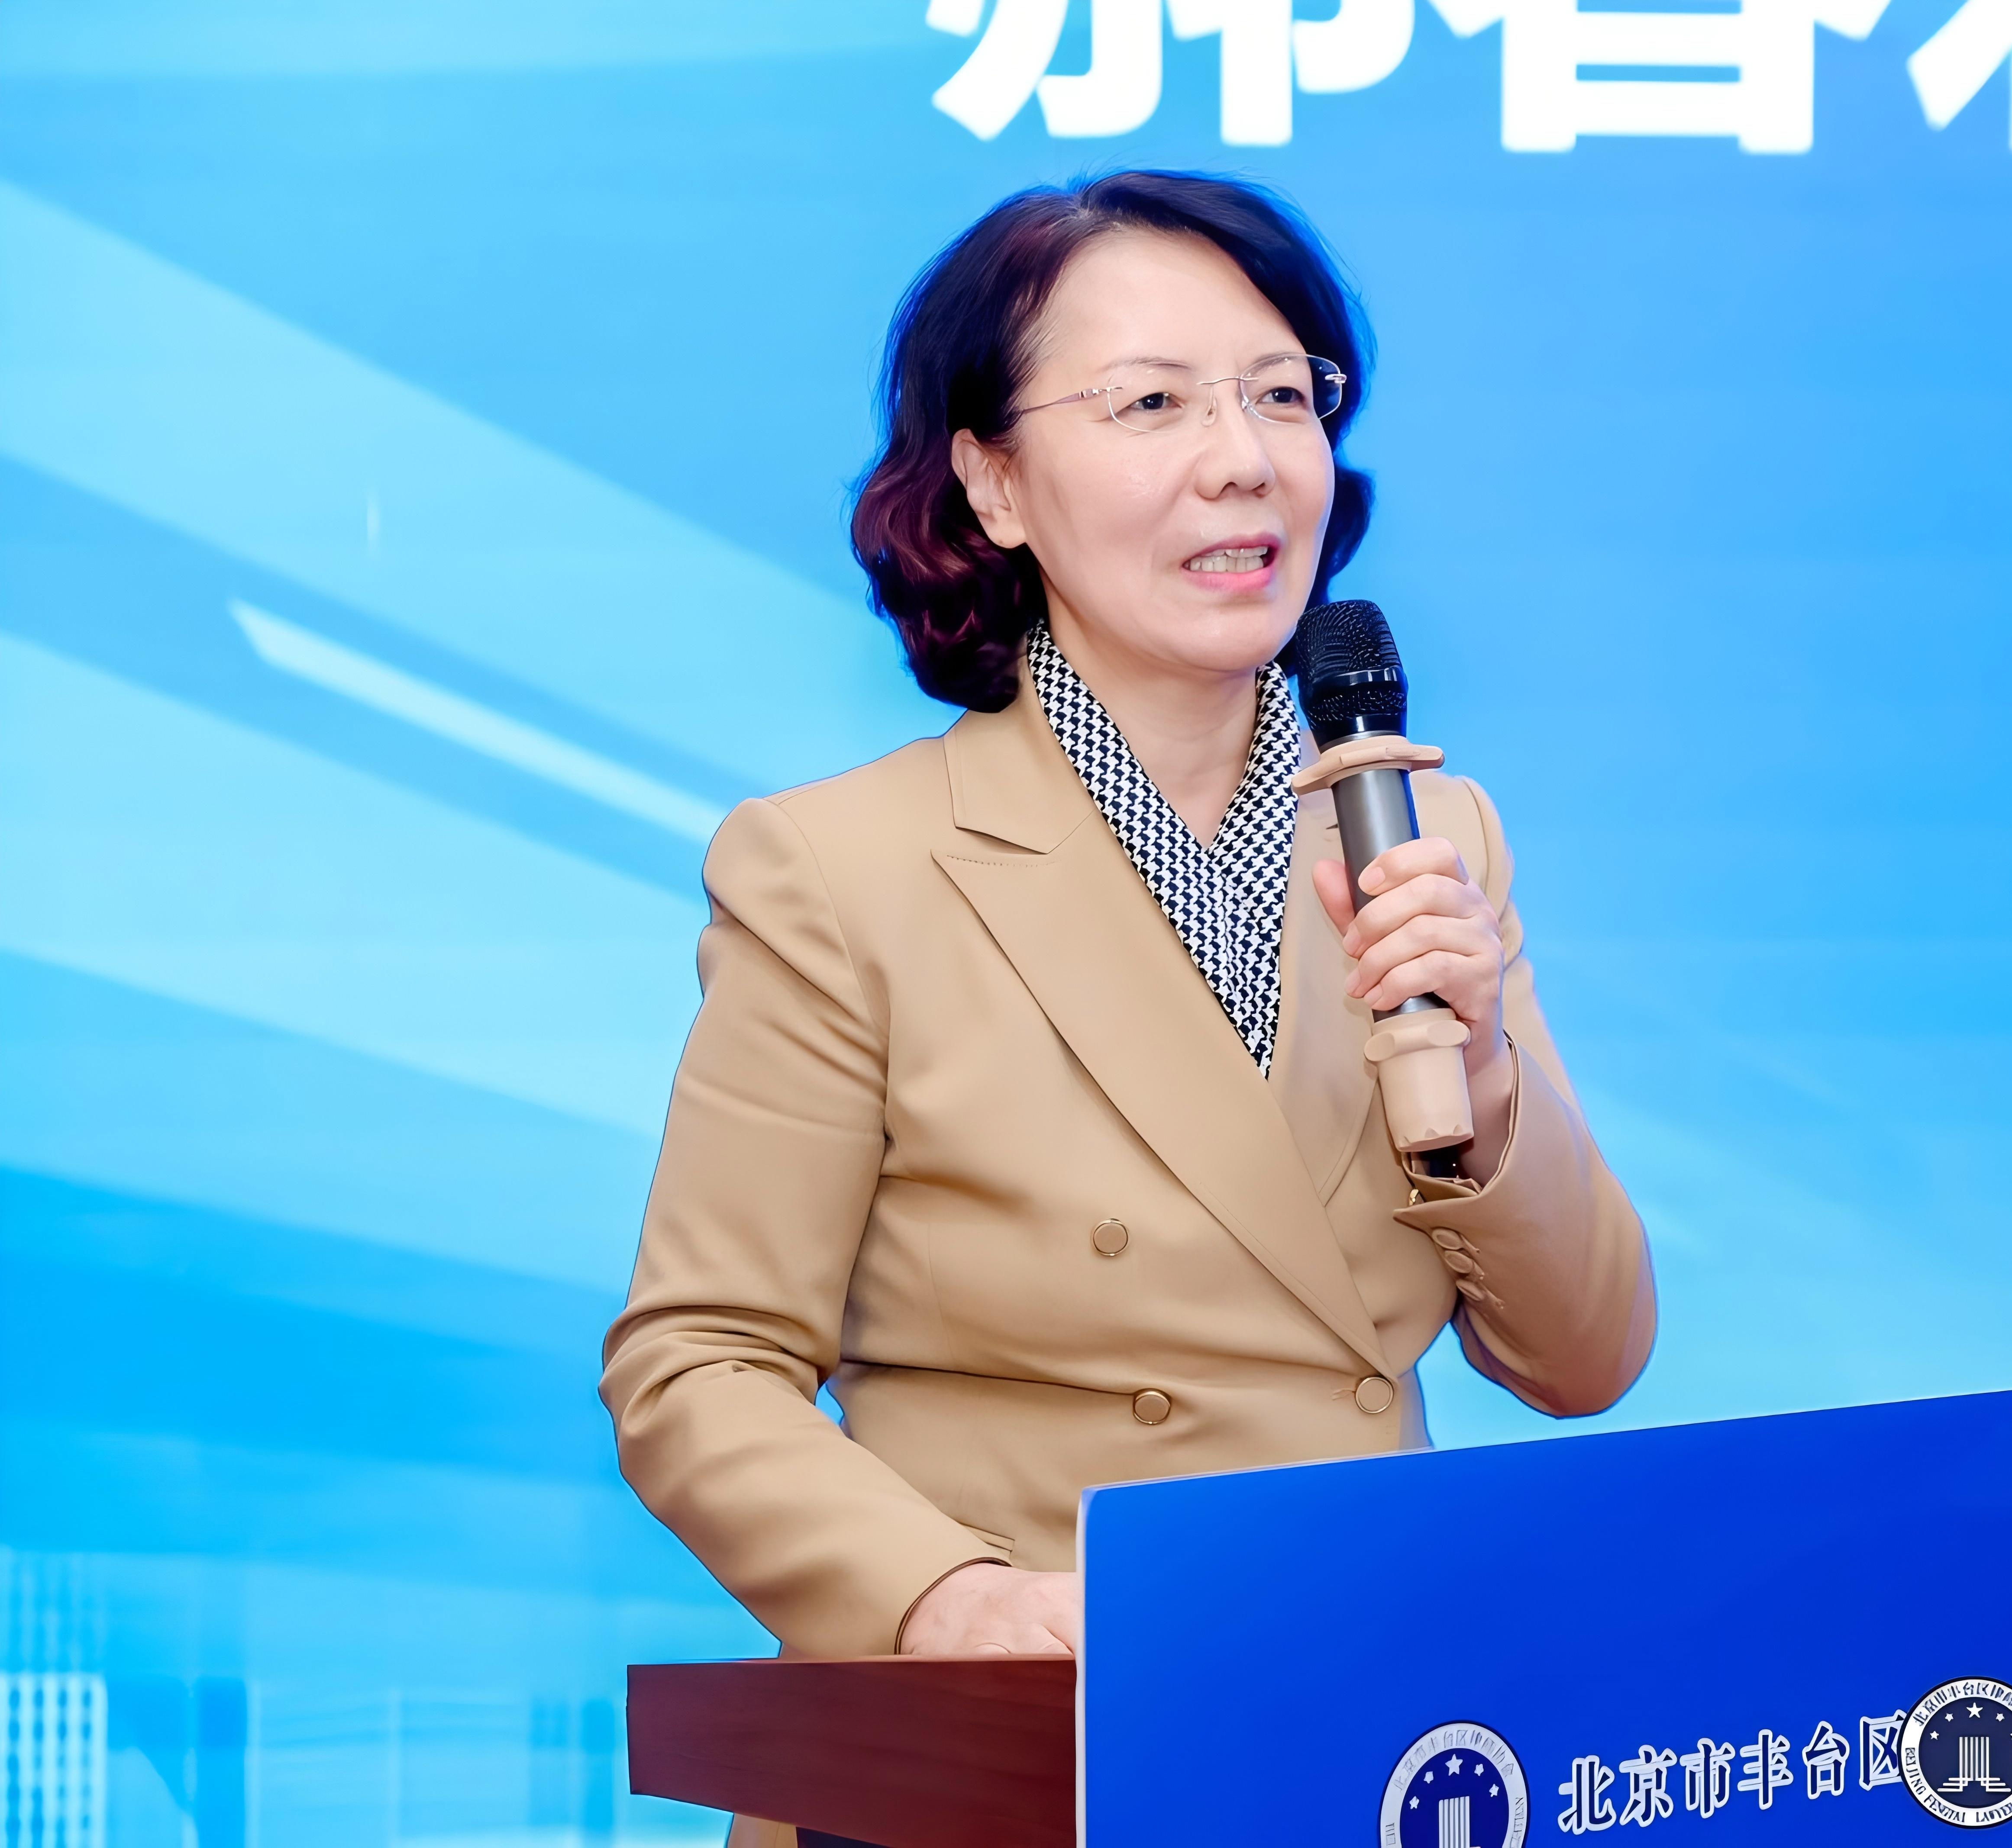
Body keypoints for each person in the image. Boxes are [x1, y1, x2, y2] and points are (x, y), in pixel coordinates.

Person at [601, 172, 1654, 1691]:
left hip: (1366, 1704)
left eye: (1282, 395)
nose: (1243, 461)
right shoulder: (840, 869)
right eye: (1153, 403)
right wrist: (943, 1599)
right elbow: (697, 1362)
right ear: (994, 485)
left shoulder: (1429, 832)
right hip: (1042, 1713)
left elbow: (1587, 1357)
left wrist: (1484, 1078)